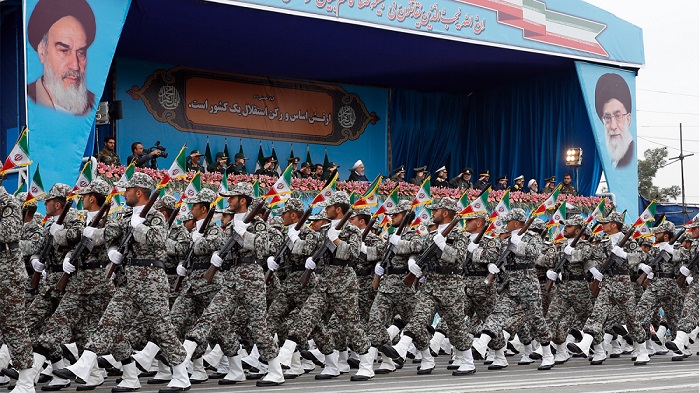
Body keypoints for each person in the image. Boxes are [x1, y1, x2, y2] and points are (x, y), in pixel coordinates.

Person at [54, 173, 193, 393]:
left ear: (138, 192)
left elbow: (158, 241)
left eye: (127, 190)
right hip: (128, 280)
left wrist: (139, 227)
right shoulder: (127, 216)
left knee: (162, 329)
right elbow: (110, 234)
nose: (124, 194)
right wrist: (104, 243)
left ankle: (181, 375)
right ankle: (84, 365)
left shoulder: (155, 217)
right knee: (109, 321)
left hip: (151, 282)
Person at [0, 184, 47, 393]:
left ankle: (26, 381)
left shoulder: (8, 202)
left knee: (14, 326)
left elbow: (9, 232)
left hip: (8, 275)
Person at [26, 0, 96, 116]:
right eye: (64, 51)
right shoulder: (25, 100)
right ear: (42, 51)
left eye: (81, 52)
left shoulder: (93, 103)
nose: (75, 65)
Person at [596, 73, 635, 168]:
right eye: (608, 118)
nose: (613, 126)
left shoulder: (630, 157)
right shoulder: (613, 160)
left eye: (618, 116)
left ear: (628, 119)